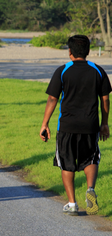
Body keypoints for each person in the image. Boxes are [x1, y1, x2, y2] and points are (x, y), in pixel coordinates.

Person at [40, 35, 110, 216]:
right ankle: (90, 189)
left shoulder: (62, 71)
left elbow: (52, 98)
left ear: (70, 52)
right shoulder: (98, 70)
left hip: (67, 126)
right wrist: (104, 124)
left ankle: (72, 204)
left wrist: (45, 123)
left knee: (66, 163)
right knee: (91, 158)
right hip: (90, 125)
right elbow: (105, 99)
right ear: (88, 51)